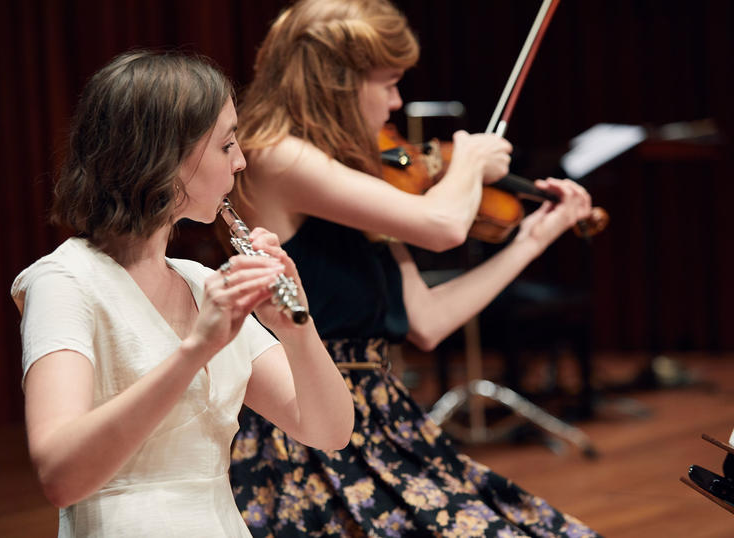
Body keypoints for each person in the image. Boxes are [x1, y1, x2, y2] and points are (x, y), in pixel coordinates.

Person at [226, 1, 601, 537]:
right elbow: (443, 226)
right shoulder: (277, 156)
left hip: (382, 415)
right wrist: (470, 158)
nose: (397, 102)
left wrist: (531, 241)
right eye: (389, 83)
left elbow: (426, 320)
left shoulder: (358, 178)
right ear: (337, 83)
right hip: (306, 428)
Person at [10, 49, 353, 537]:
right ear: (165, 155)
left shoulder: (197, 280)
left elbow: (329, 431)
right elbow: (59, 476)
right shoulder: (64, 282)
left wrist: (296, 327)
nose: (241, 161)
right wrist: (196, 350)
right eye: (226, 144)